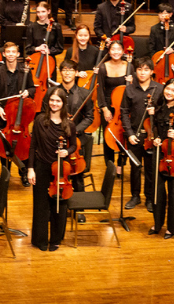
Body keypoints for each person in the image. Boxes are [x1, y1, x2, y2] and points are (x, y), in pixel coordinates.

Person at [28, 87, 77, 252]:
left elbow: (74, 146)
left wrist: (67, 151)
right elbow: (33, 145)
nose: (54, 103)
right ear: (48, 101)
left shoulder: (69, 124)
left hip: (60, 170)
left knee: (59, 205)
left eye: (58, 101)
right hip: (41, 167)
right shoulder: (40, 120)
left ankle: (56, 239)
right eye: (52, 100)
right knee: (40, 206)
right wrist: (30, 169)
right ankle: (40, 240)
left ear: (63, 103)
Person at [148, 78, 174, 239]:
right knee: (157, 192)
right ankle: (157, 224)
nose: (169, 92)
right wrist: (156, 138)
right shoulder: (159, 107)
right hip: (160, 154)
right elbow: (155, 128)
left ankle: (172, 228)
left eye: (173, 90)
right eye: (167, 89)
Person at [0, 41, 34, 184]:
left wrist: (28, 92)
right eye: (8, 52)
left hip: (21, 115)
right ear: (4, 54)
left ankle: (24, 173)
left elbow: (32, 88)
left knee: (24, 145)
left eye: (14, 52)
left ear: (18, 54)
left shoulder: (25, 70)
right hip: (5, 115)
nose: (11, 54)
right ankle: (5, 174)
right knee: (4, 147)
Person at [119, 56, 161, 213]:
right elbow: (124, 112)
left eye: (146, 70)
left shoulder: (159, 89)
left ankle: (149, 198)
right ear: (135, 71)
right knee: (134, 168)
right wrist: (129, 133)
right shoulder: (129, 89)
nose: (142, 73)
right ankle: (135, 196)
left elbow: (164, 112)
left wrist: (155, 112)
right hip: (134, 135)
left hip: (151, 136)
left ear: (151, 72)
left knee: (150, 168)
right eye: (139, 69)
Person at [53, 60, 94, 198]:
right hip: (56, 138)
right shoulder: (53, 93)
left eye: (70, 70)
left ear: (76, 73)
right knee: (56, 173)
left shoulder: (84, 93)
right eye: (64, 70)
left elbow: (89, 117)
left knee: (77, 176)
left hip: (76, 140)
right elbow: (45, 114)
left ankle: (79, 208)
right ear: (60, 73)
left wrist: (75, 130)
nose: (67, 73)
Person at [97, 40, 132, 167]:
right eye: (113, 49)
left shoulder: (129, 66)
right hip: (109, 106)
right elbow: (100, 89)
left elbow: (133, 89)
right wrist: (105, 109)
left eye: (118, 49)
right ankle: (110, 165)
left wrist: (132, 81)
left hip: (125, 107)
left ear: (123, 52)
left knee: (125, 135)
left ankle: (121, 164)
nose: (116, 52)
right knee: (109, 138)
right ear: (109, 51)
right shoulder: (103, 67)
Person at [25, 2, 64, 80]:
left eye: (43, 11)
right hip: (35, 62)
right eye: (38, 12)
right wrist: (37, 48)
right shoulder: (31, 27)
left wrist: (49, 51)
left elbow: (60, 48)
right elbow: (27, 48)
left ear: (48, 11)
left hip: (50, 61)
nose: (40, 14)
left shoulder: (56, 27)